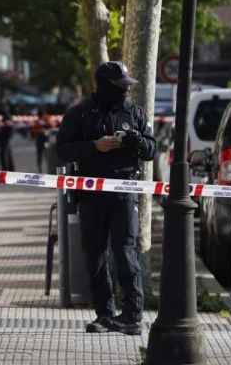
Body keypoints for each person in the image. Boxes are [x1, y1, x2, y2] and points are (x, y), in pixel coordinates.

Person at [56, 61, 155, 336]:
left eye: (127, 87)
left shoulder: (134, 112)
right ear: (103, 86)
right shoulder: (80, 114)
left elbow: (150, 150)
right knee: (95, 255)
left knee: (126, 253)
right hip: (91, 195)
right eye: (120, 87)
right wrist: (93, 147)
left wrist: (135, 139)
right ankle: (105, 314)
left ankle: (133, 316)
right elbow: (62, 150)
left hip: (124, 192)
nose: (125, 92)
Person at [31, 109, 50, 174]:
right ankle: (40, 168)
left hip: (42, 140)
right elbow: (33, 131)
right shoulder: (39, 121)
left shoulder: (43, 120)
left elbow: (33, 131)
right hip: (43, 140)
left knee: (43, 154)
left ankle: (42, 168)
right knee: (43, 154)